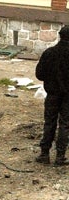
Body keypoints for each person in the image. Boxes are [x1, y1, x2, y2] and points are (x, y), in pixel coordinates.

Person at [34, 25, 69, 166]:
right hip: (68, 96)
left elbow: (39, 74)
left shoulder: (49, 53)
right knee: (65, 124)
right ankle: (60, 156)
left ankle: (44, 154)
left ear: (60, 36)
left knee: (49, 122)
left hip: (52, 94)